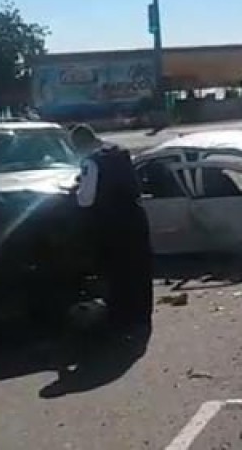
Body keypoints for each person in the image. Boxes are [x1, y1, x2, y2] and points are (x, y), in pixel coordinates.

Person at [70, 124, 153, 332]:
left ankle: (122, 320)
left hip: (113, 225)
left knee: (119, 273)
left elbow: (85, 200)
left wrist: (76, 190)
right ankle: (141, 316)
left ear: (79, 145)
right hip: (136, 217)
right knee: (140, 269)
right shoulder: (119, 151)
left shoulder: (91, 161)